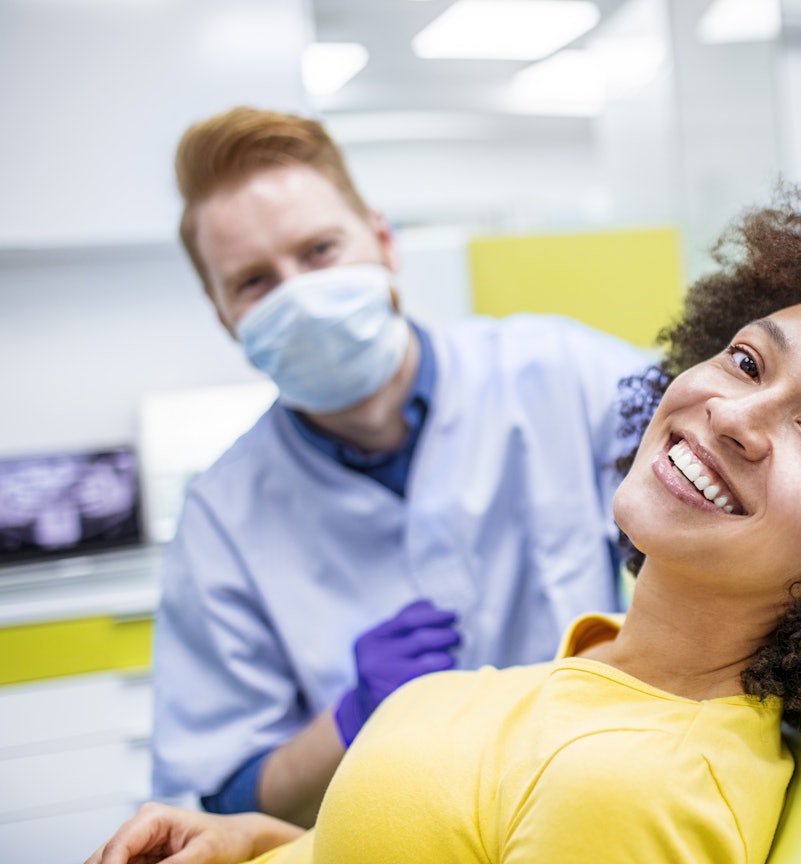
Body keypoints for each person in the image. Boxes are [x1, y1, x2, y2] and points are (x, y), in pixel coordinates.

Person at [94, 182, 801, 863]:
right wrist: (264, 845)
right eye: (749, 361)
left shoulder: (637, 785)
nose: (735, 415)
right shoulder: (595, 683)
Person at [150, 106, 650, 825]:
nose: (300, 295)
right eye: (256, 282)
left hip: (599, 806)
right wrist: (355, 717)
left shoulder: (564, 374)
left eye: (319, 252)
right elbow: (228, 792)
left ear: (383, 241)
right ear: (222, 313)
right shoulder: (222, 518)